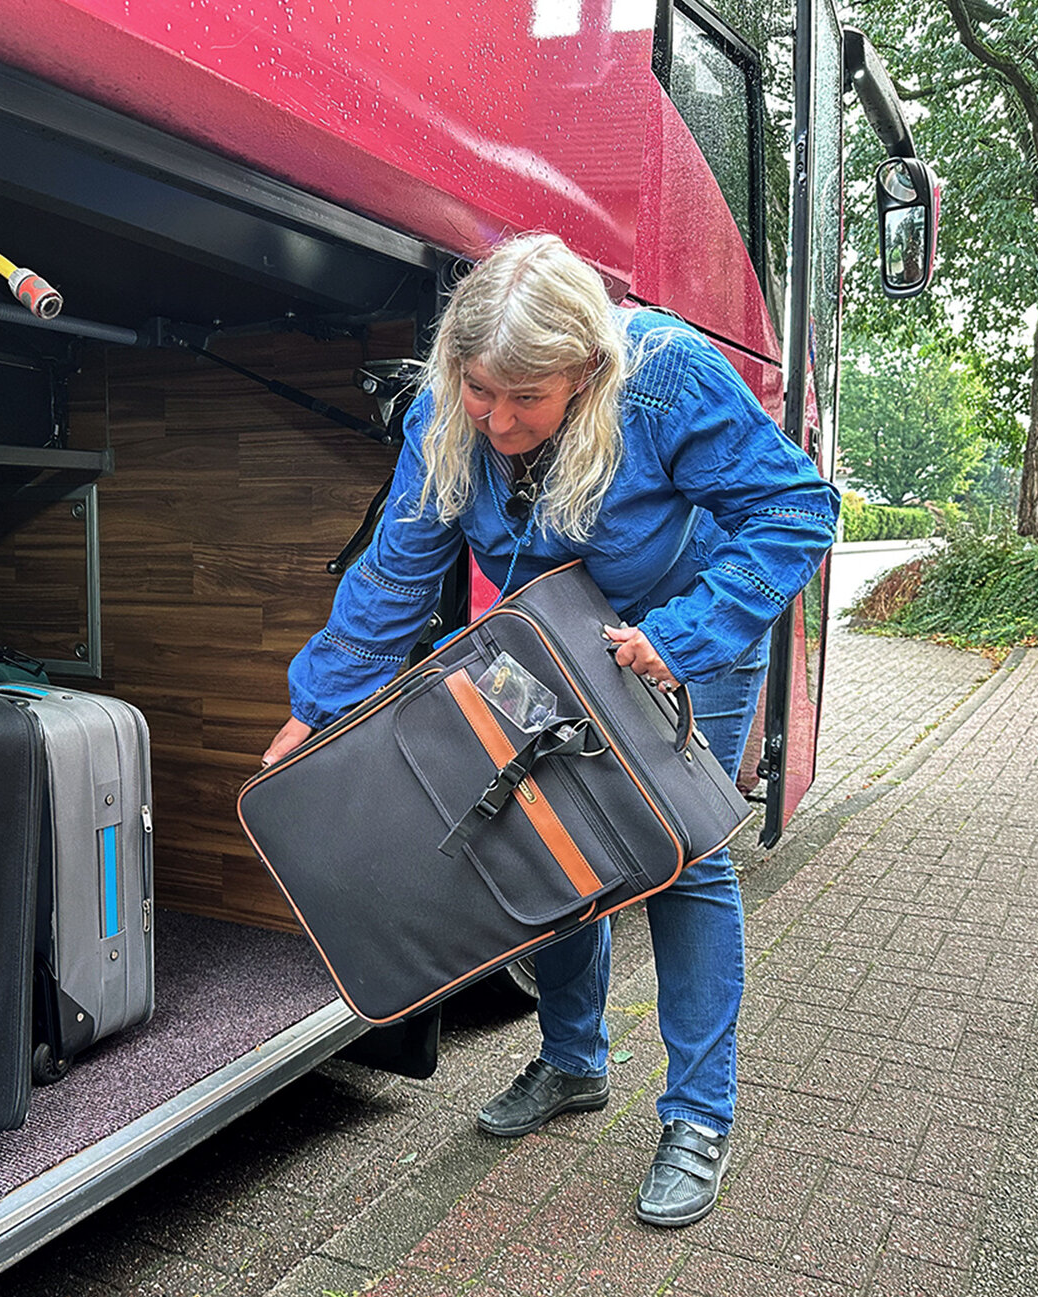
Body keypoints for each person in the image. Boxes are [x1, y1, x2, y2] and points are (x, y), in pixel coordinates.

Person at [261, 233, 838, 1227]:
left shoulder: (665, 380)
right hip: (545, 648)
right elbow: (398, 571)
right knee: (550, 843)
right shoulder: (450, 412)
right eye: (480, 391)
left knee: (675, 860)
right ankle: (572, 1062)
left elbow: (793, 509)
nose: (494, 419)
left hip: (681, 640)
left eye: (522, 399)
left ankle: (696, 1117)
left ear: (583, 368)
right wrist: (314, 709)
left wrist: (683, 634)